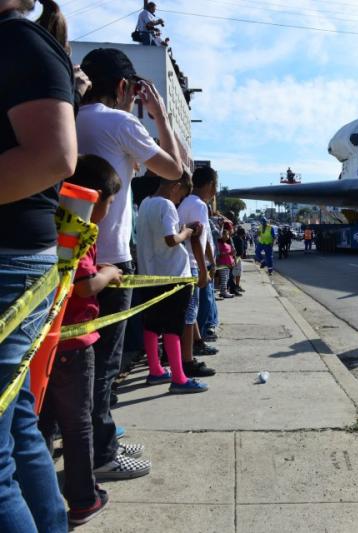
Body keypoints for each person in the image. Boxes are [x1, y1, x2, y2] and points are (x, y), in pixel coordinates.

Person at [77, 47, 183, 480]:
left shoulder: (75, 118)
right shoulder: (120, 122)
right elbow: (174, 169)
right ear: (124, 88)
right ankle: (101, 454)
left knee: (77, 363)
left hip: (76, 253)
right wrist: (158, 114)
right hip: (110, 262)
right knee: (105, 362)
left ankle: (98, 435)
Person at [0, 1, 75, 530]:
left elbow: (53, 155)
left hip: (7, 260)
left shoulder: (15, 40)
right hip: (18, 260)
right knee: (18, 421)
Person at [37, 156, 122, 525]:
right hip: (75, 341)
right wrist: (110, 273)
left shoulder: (53, 220)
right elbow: (85, 284)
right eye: (110, 203)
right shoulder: (80, 227)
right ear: (97, 197)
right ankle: (84, 498)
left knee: (43, 424)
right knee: (78, 424)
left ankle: (38, 496)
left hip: (46, 343)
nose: (108, 211)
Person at [137, 173, 209, 393]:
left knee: (152, 325)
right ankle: (179, 378)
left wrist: (181, 227)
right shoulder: (167, 205)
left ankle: (156, 370)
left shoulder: (145, 204)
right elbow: (170, 239)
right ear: (175, 187)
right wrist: (186, 231)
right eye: (181, 196)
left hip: (150, 274)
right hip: (174, 275)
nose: (179, 201)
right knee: (173, 327)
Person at [177, 166, 220, 370]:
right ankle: (187, 360)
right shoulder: (199, 205)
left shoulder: (186, 202)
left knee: (190, 311)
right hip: (191, 264)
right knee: (190, 313)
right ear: (211, 184)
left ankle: (197, 342)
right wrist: (204, 269)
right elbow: (197, 239)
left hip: (185, 262)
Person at [217, 228, 235, 298]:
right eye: (226, 234)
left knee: (226, 278)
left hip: (228, 265)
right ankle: (224, 292)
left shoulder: (228, 244)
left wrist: (232, 255)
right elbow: (219, 254)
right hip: (222, 264)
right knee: (224, 278)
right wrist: (226, 253)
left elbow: (231, 255)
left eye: (228, 234)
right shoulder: (219, 244)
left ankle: (223, 292)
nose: (228, 236)